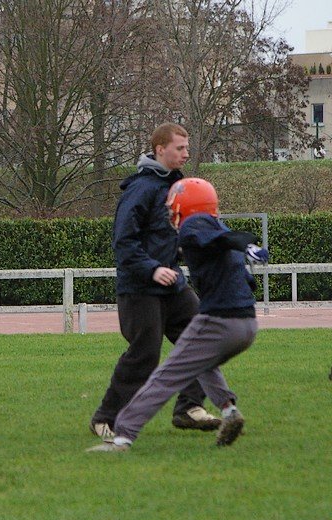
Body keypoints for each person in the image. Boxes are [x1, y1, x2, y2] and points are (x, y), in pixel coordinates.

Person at [88, 178, 269, 451]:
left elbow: (201, 236)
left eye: (174, 206)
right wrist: (239, 248)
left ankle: (123, 436)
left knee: (165, 377)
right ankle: (229, 412)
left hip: (217, 322)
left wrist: (244, 244)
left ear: (186, 206)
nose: (171, 213)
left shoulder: (193, 227)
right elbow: (242, 274)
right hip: (246, 326)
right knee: (204, 364)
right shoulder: (219, 225)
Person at [89, 123, 219, 442]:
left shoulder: (181, 186)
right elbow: (124, 241)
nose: (186, 154)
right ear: (160, 149)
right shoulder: (141, 189)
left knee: (206, 338)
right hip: (140, 288)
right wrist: (151, 269)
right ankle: (105, 419)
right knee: (145, 355)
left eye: (188, 148)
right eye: (180, 148)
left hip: (172, 285)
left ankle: (189, 409)